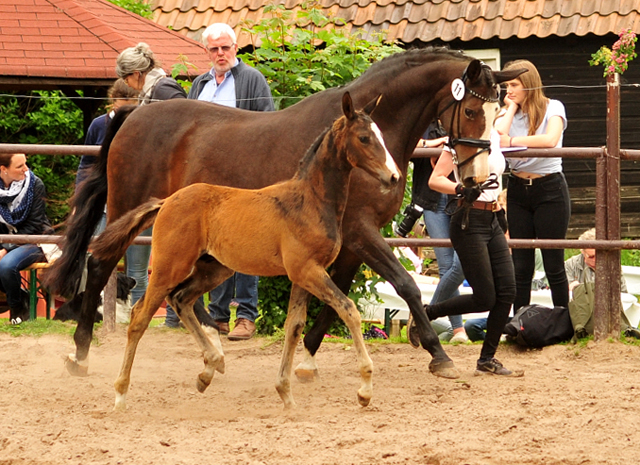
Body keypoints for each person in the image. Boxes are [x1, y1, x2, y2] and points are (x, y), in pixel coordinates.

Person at [175, 23, 274, 340]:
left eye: (225, 47)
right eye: (214, 49)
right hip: (206, 183)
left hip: (244, 177)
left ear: (236, 48)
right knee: (213, 246)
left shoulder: (252, 79)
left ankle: (246, 316)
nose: (220, 54)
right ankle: (217, 316)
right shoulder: (200, 84)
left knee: (247, 243)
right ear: (207, 51)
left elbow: (269, 124)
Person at [426, 127, 522, 376]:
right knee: (485, 298)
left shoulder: (494, 135)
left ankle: (486, 359)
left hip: (492, 217)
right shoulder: (459, 139)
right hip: (468, 218)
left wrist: (500, 209)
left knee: (508, 290)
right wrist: (460, 189)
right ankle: (427, 313)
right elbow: (435, 178)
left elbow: (496, 179)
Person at [494, 59, 571, 314]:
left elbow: (550, 140)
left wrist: (513, 140)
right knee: (521, 263)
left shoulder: (553, 107)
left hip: (549, 188)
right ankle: (520, 320)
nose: (509, 91)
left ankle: (562, 319)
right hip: (517, 189)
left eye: (514, 85)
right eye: (506, 86)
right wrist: (511, 107)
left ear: (529, 84)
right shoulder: (509, 112)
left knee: (553, 262)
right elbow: (496, 137)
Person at [114, 43, 187, 307]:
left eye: (125, 78)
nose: (126, 84)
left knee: (171, 255)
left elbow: (185, 126)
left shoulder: (163, 91)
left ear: (135, 74)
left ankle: (171, 313)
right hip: (166, 178)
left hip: (175, 181)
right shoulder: (154, 91)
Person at [406, 123, 469, 345]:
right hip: (432, 199)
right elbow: (408, 146)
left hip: (461, 198)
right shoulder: (427, 121)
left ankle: (423, 315)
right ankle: (459, 330)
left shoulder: (464, 118)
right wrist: (439, 144)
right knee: (446, 266)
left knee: (459, 266)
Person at [76, 79, 139, 234]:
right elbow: (86, 163)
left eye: (131, 111)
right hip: (102, 200)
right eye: (121, 112)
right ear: (112, 102)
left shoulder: (145, 125)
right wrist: (80, 200)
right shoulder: (98, 125)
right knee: (96, 251)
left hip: (136, 201)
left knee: (137, 257)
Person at [0, 153, 54, 324]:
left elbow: (35, 226)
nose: (26, 169)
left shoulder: (35, 184)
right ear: (3, 169)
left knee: (7, 265)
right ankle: (22, 297)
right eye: (19, 166)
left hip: (35, 240)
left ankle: (16, 311)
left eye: (26, 164)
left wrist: (6, 248)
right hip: (5, 242)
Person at [565, 227, 627, 293]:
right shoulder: (570, 265)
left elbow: (623, 293)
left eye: (600, 256)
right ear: (582, 252)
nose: (596, 260)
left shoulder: (612, 265)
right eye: (591, 257)